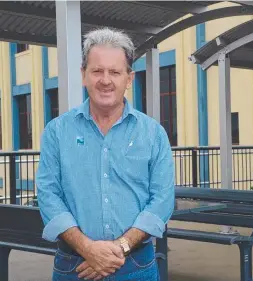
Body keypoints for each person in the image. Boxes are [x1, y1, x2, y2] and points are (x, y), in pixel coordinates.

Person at [36, 27, 175, 281]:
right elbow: (48, 195)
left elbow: (162, 199)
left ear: (129, 78)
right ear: (83, 75)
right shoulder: (57, 132)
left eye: (115, 72)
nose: (105, 80)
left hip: (136, 266)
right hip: (74, 266)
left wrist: (119, 247)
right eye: (97, 71)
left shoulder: (153, 134)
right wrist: (88, 249)